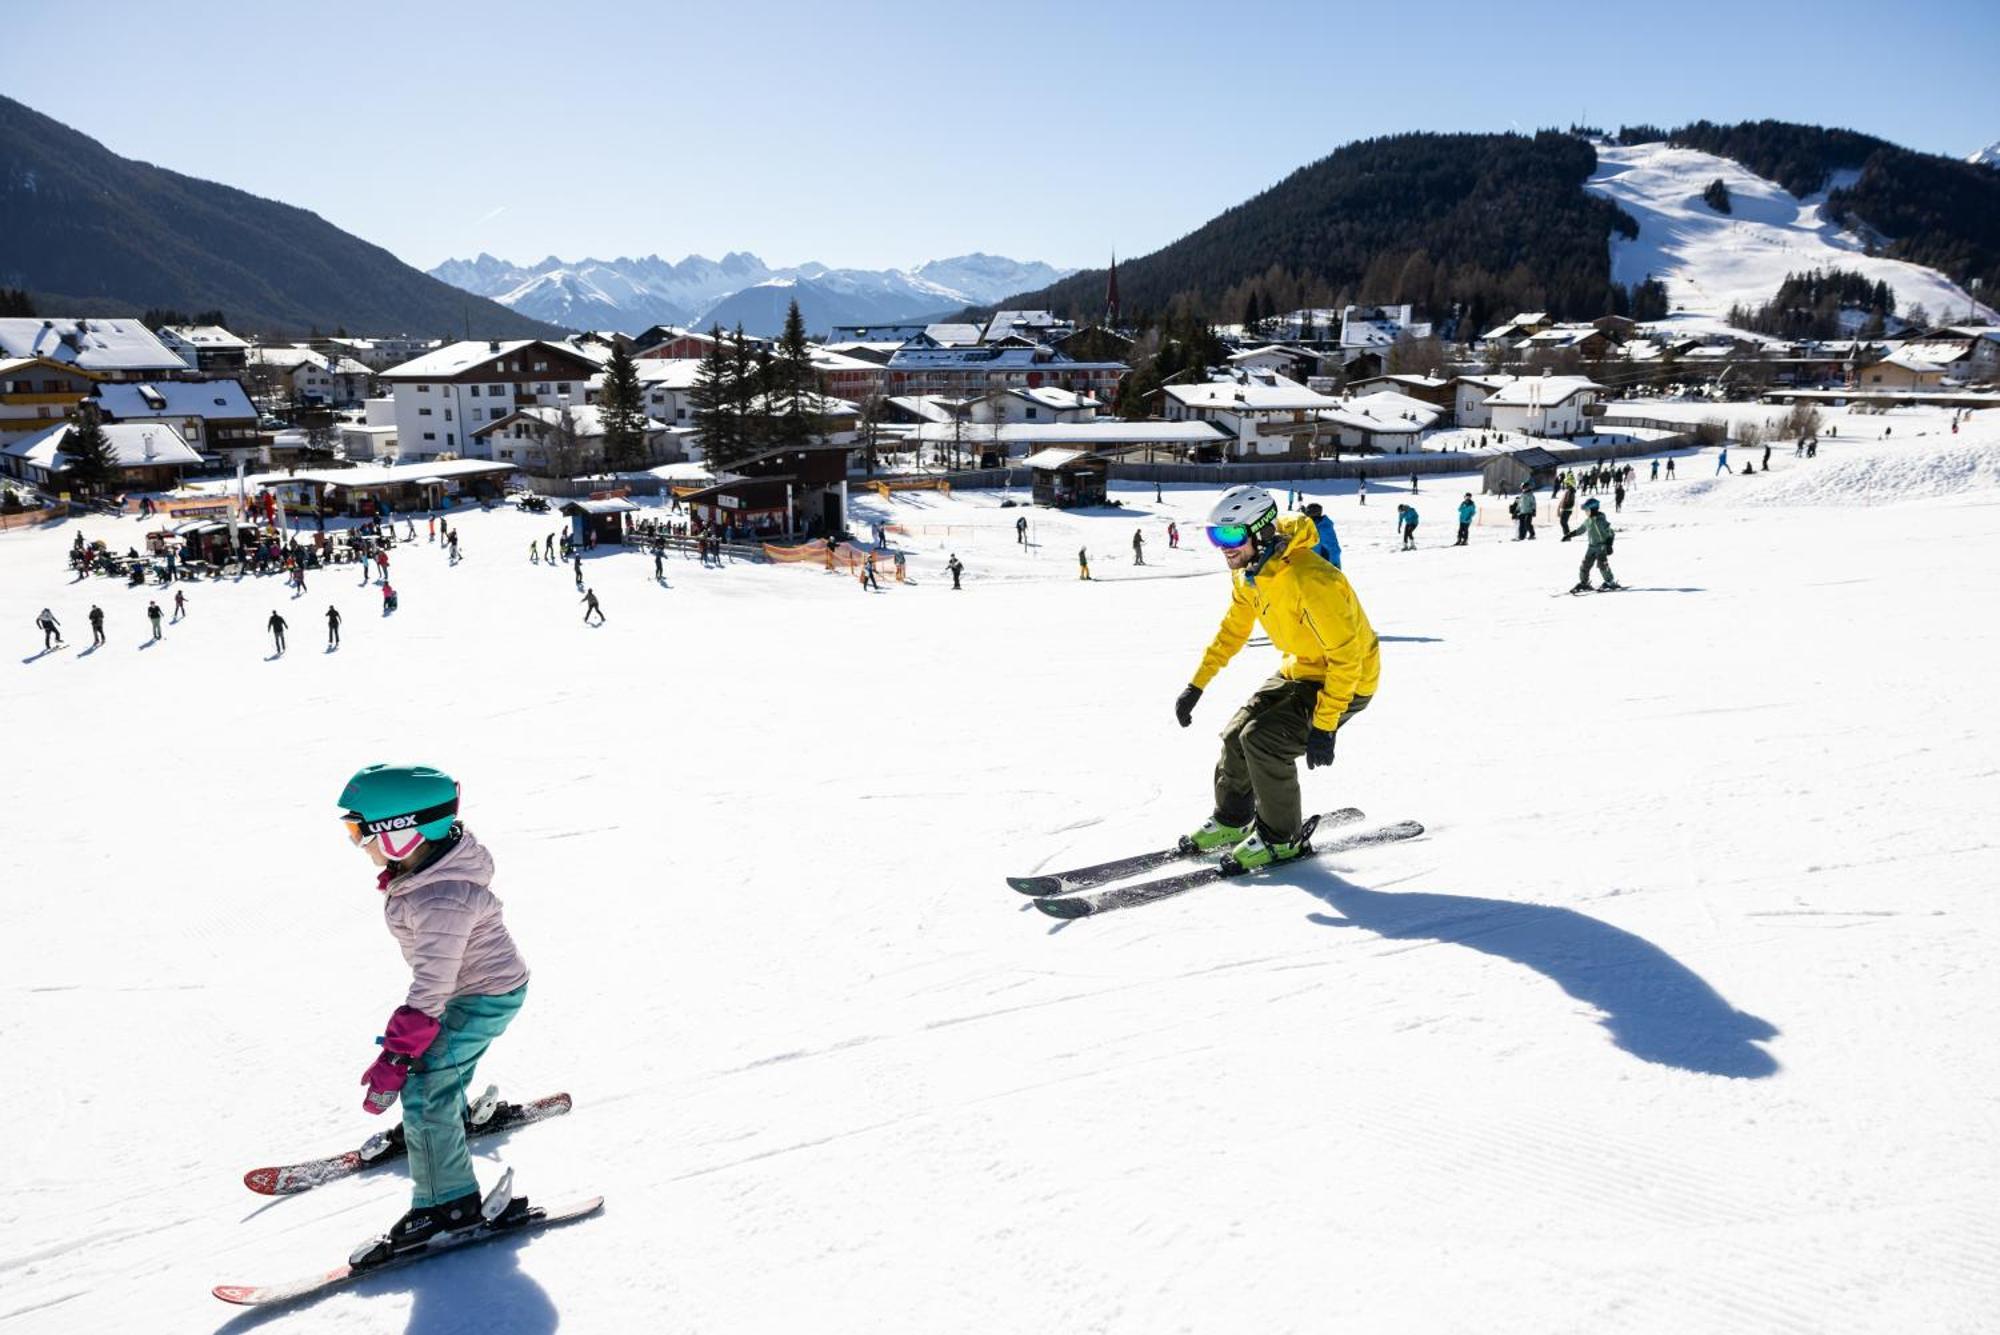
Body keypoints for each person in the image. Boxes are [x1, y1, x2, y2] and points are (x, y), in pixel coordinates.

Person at [336, 764, 533, 1266]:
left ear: (401, 834)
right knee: (439, 1073)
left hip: (481, 995)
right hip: (479, 989)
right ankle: (438, 1127)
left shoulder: (439, 896)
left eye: (360, 832)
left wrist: (398, 1056)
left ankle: (449, 1205)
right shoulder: (428, 874)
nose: (358, 844)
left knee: (425, 1085)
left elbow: (432, 986)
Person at [1174, 485, 1379, 871]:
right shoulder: (1250, 574)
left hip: (1347, 680)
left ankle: (1283, 839)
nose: (1223, 546)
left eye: (1231, 535)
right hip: (1301, 667)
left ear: (1262, 530)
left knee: (1264, 741)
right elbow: (1232, 631)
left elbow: (1347, 658)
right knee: (1237, 733)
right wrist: (1196, 685)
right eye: (1215, 535)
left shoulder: (1312, 579)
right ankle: (1233, 820)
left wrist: (1325, 723)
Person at [1570, 497, 1621, 593]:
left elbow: (1611, 533)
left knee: (1602, 565)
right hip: (1591, 547)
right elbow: (1581, 529)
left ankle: (1610, 582)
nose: (1585, 512)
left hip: (1601, 547)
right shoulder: (1588, 521)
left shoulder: (1601, 521)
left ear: (1593, 510)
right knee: (1585, 565)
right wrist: (1570, 534)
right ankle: (1584, 583)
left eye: (1587, 510)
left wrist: (1609, 545)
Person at [1301, 502, 1341, 568]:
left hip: (1322, 567)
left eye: (1308, 514)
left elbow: (1334, 549)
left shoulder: (1323, 528)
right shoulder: (1310, 526)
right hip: (1309, 565)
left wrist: (1335, 566)